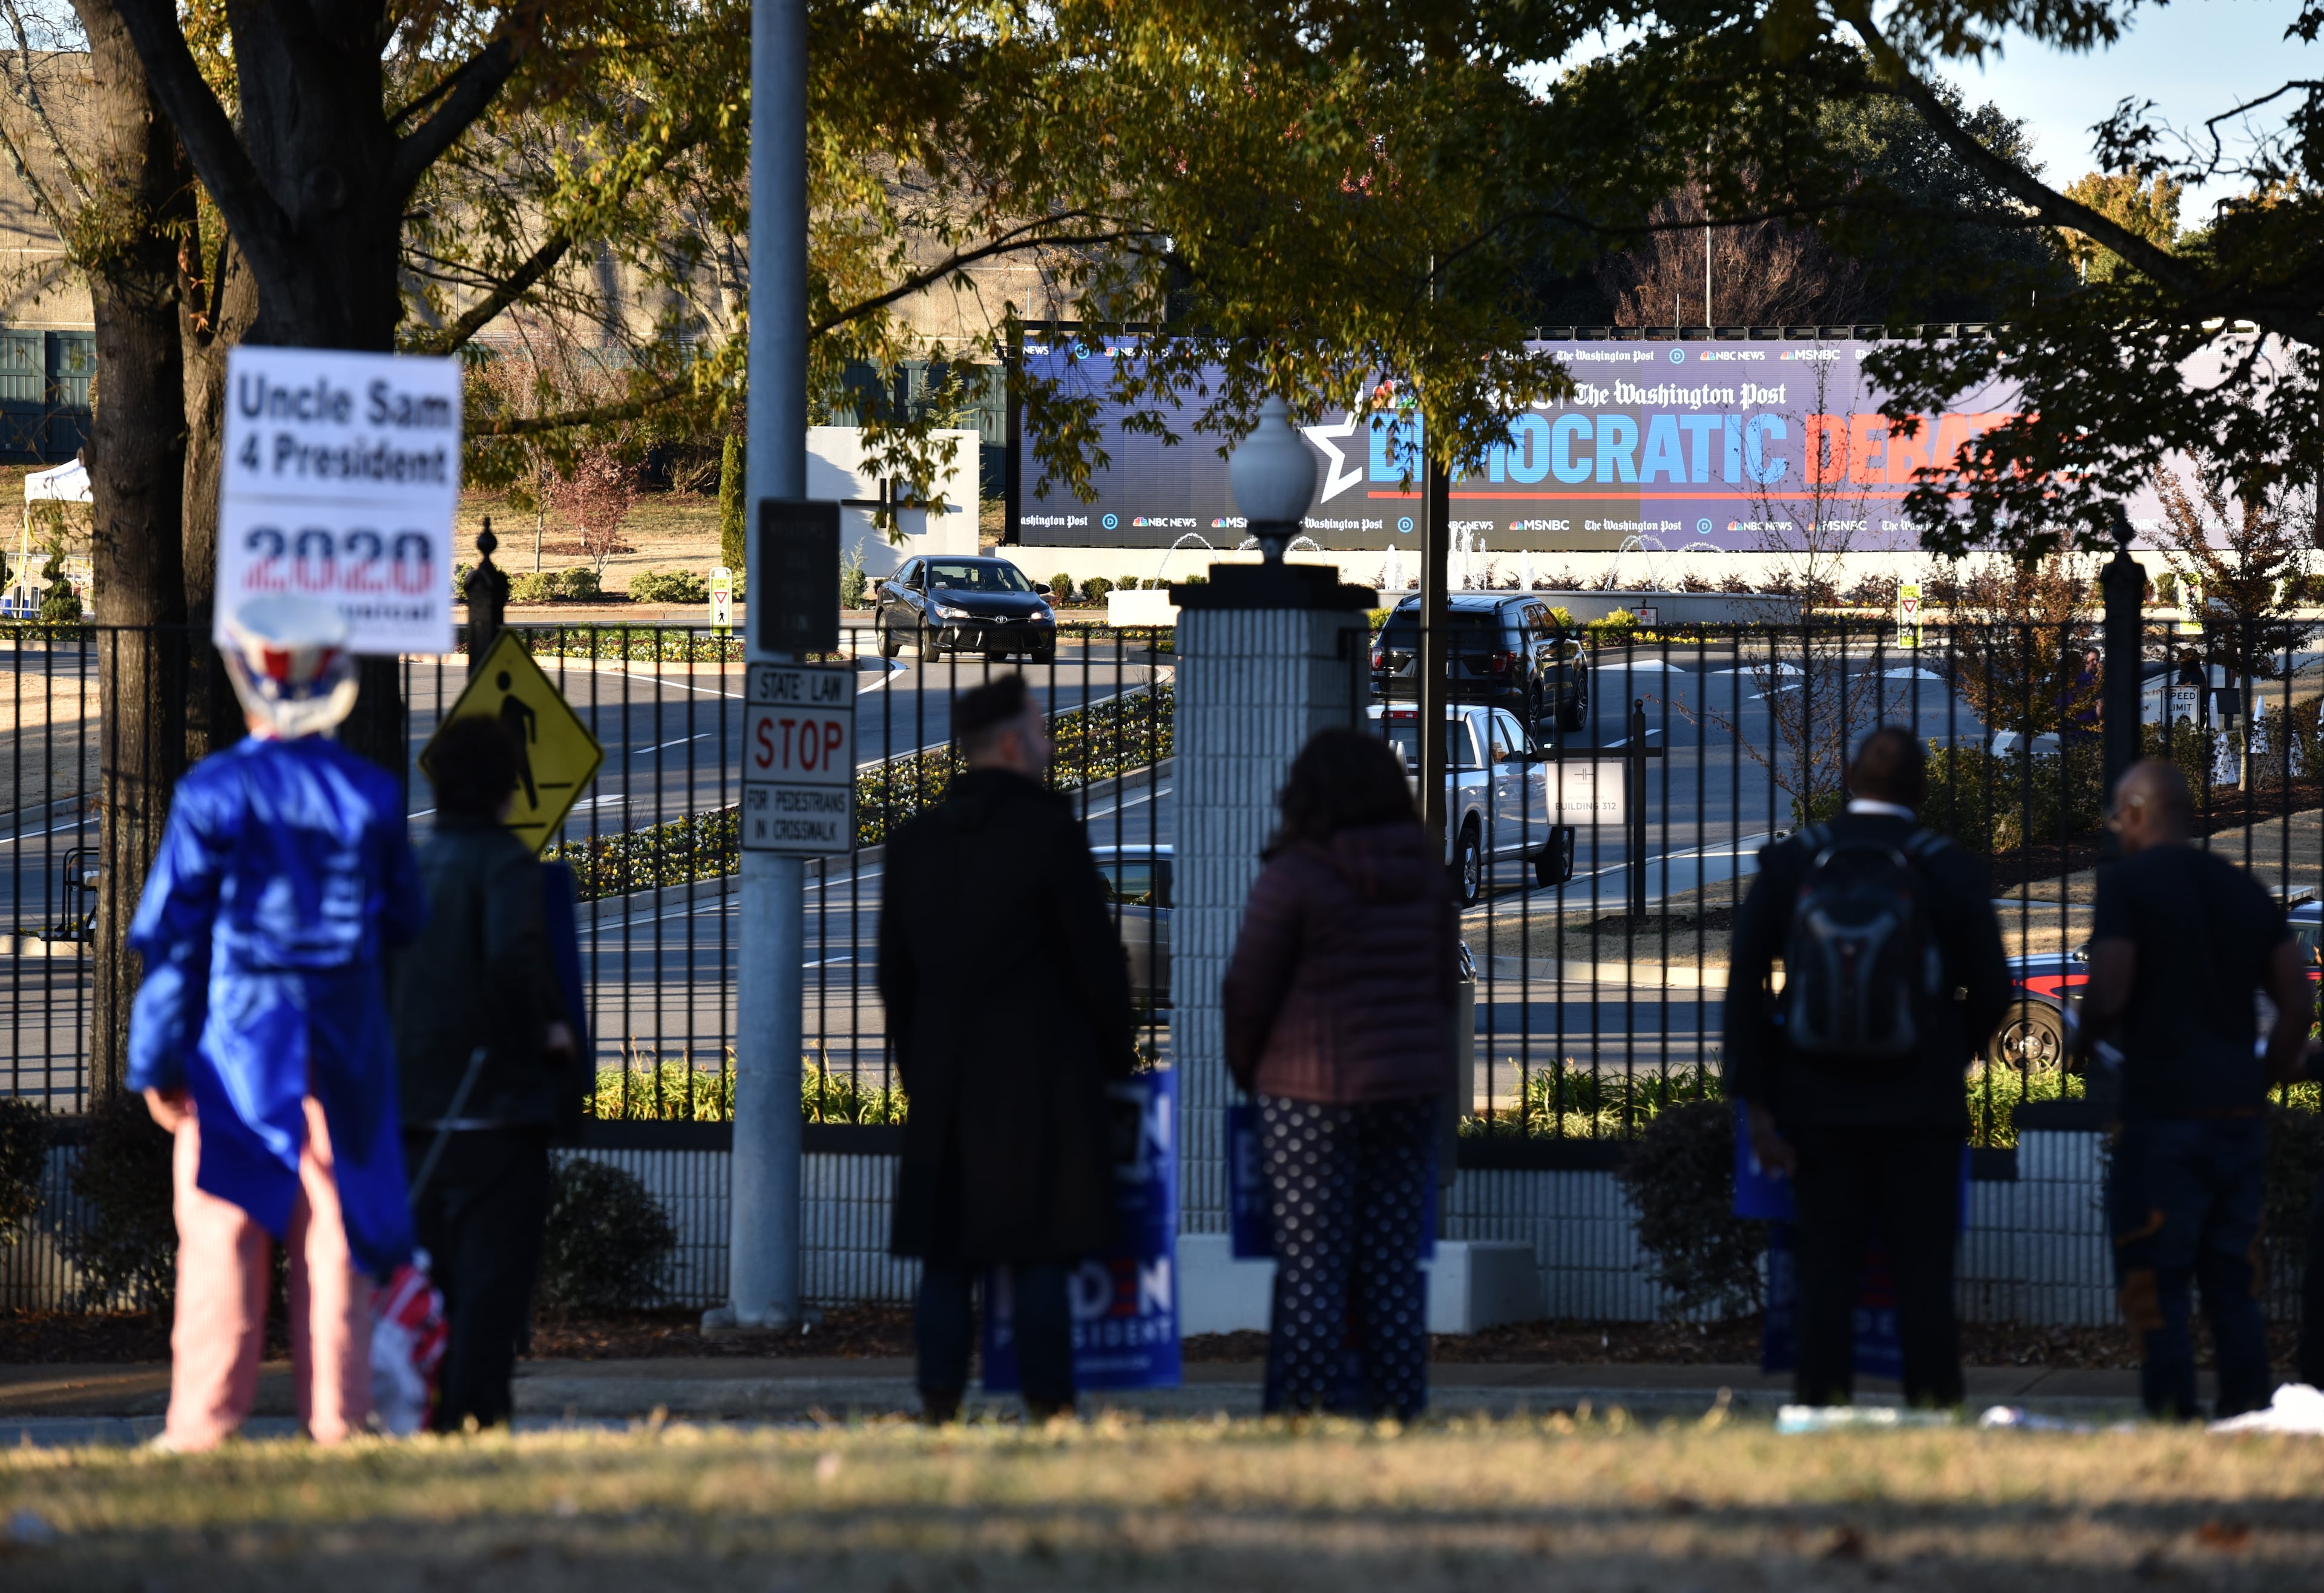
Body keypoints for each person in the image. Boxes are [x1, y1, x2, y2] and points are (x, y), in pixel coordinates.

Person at [126, 595, 427, 1450]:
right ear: (338, 681)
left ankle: (202, 1424)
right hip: (344, 1053)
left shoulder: (211, 792)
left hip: (234, 1052)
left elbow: (173, 940)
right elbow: (405, 919)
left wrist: (156, 1062)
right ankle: (340, 1417)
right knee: (334, 1237)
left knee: (223, 1230)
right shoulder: (370, 794)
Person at [1725, 726, 2011, 1410]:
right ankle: (1935, 1415)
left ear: (1851, 777)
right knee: (1923, 1279)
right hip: (1922, 1109)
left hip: (1815, 1107)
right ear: (1921, 788)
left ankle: (1819, 1415)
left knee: (1826, 1275)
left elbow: (1744, 986)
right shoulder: (1948, 868)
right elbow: (1995, 990)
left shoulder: (1794, 862)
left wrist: (1759, 1103)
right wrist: (1950, 1053)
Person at [880, 672, 1134, 1422]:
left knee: (947, 1258)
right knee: (1041, 1253)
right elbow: (1099, 967)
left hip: (947, 1079)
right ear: (1016, 744)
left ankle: (938, 1401)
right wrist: (1110, 1066)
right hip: (1045, 1082)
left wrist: (918, 1068)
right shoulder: (1051, 835)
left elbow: (895, 978)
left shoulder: (914, 844)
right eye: (1044, 730)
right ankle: (1050, 1406)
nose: (1052, 744)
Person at [1221, 728, 1459, 1420]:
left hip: (1309, 1092)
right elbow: (1443, 987)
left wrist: (1252, 1071)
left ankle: (1305, 1414)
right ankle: (1399, 1412)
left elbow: (1248, 990)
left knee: (1313, 1269)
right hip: (1409, 1091)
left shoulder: (1294, 875)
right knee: (1390, 1267)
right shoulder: (1425, 872)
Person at [2078, 759, 2309, 1420]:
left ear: (2138, 814)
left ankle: (2173, 1417)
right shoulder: (2243, 889)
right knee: (2235, 1281)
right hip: (2236, 1114)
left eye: (2118, 816)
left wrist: (2087, 1036)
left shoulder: (2127, 887)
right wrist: (2260, 1078)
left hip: (2161, 1116)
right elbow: (2297, 1005)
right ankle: (2244, 1412)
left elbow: (2112, 987)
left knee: (2159, 1283)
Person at [392, 714, 577, 1431]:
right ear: (508, 789)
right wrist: (544, 1035)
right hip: (495, 1106)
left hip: (417, 1109)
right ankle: (478, 1411)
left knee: (432, 1276)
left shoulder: (408, 869)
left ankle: (429, 1408)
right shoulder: (505, 865)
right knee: (492, 1279)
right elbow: (510, 963)